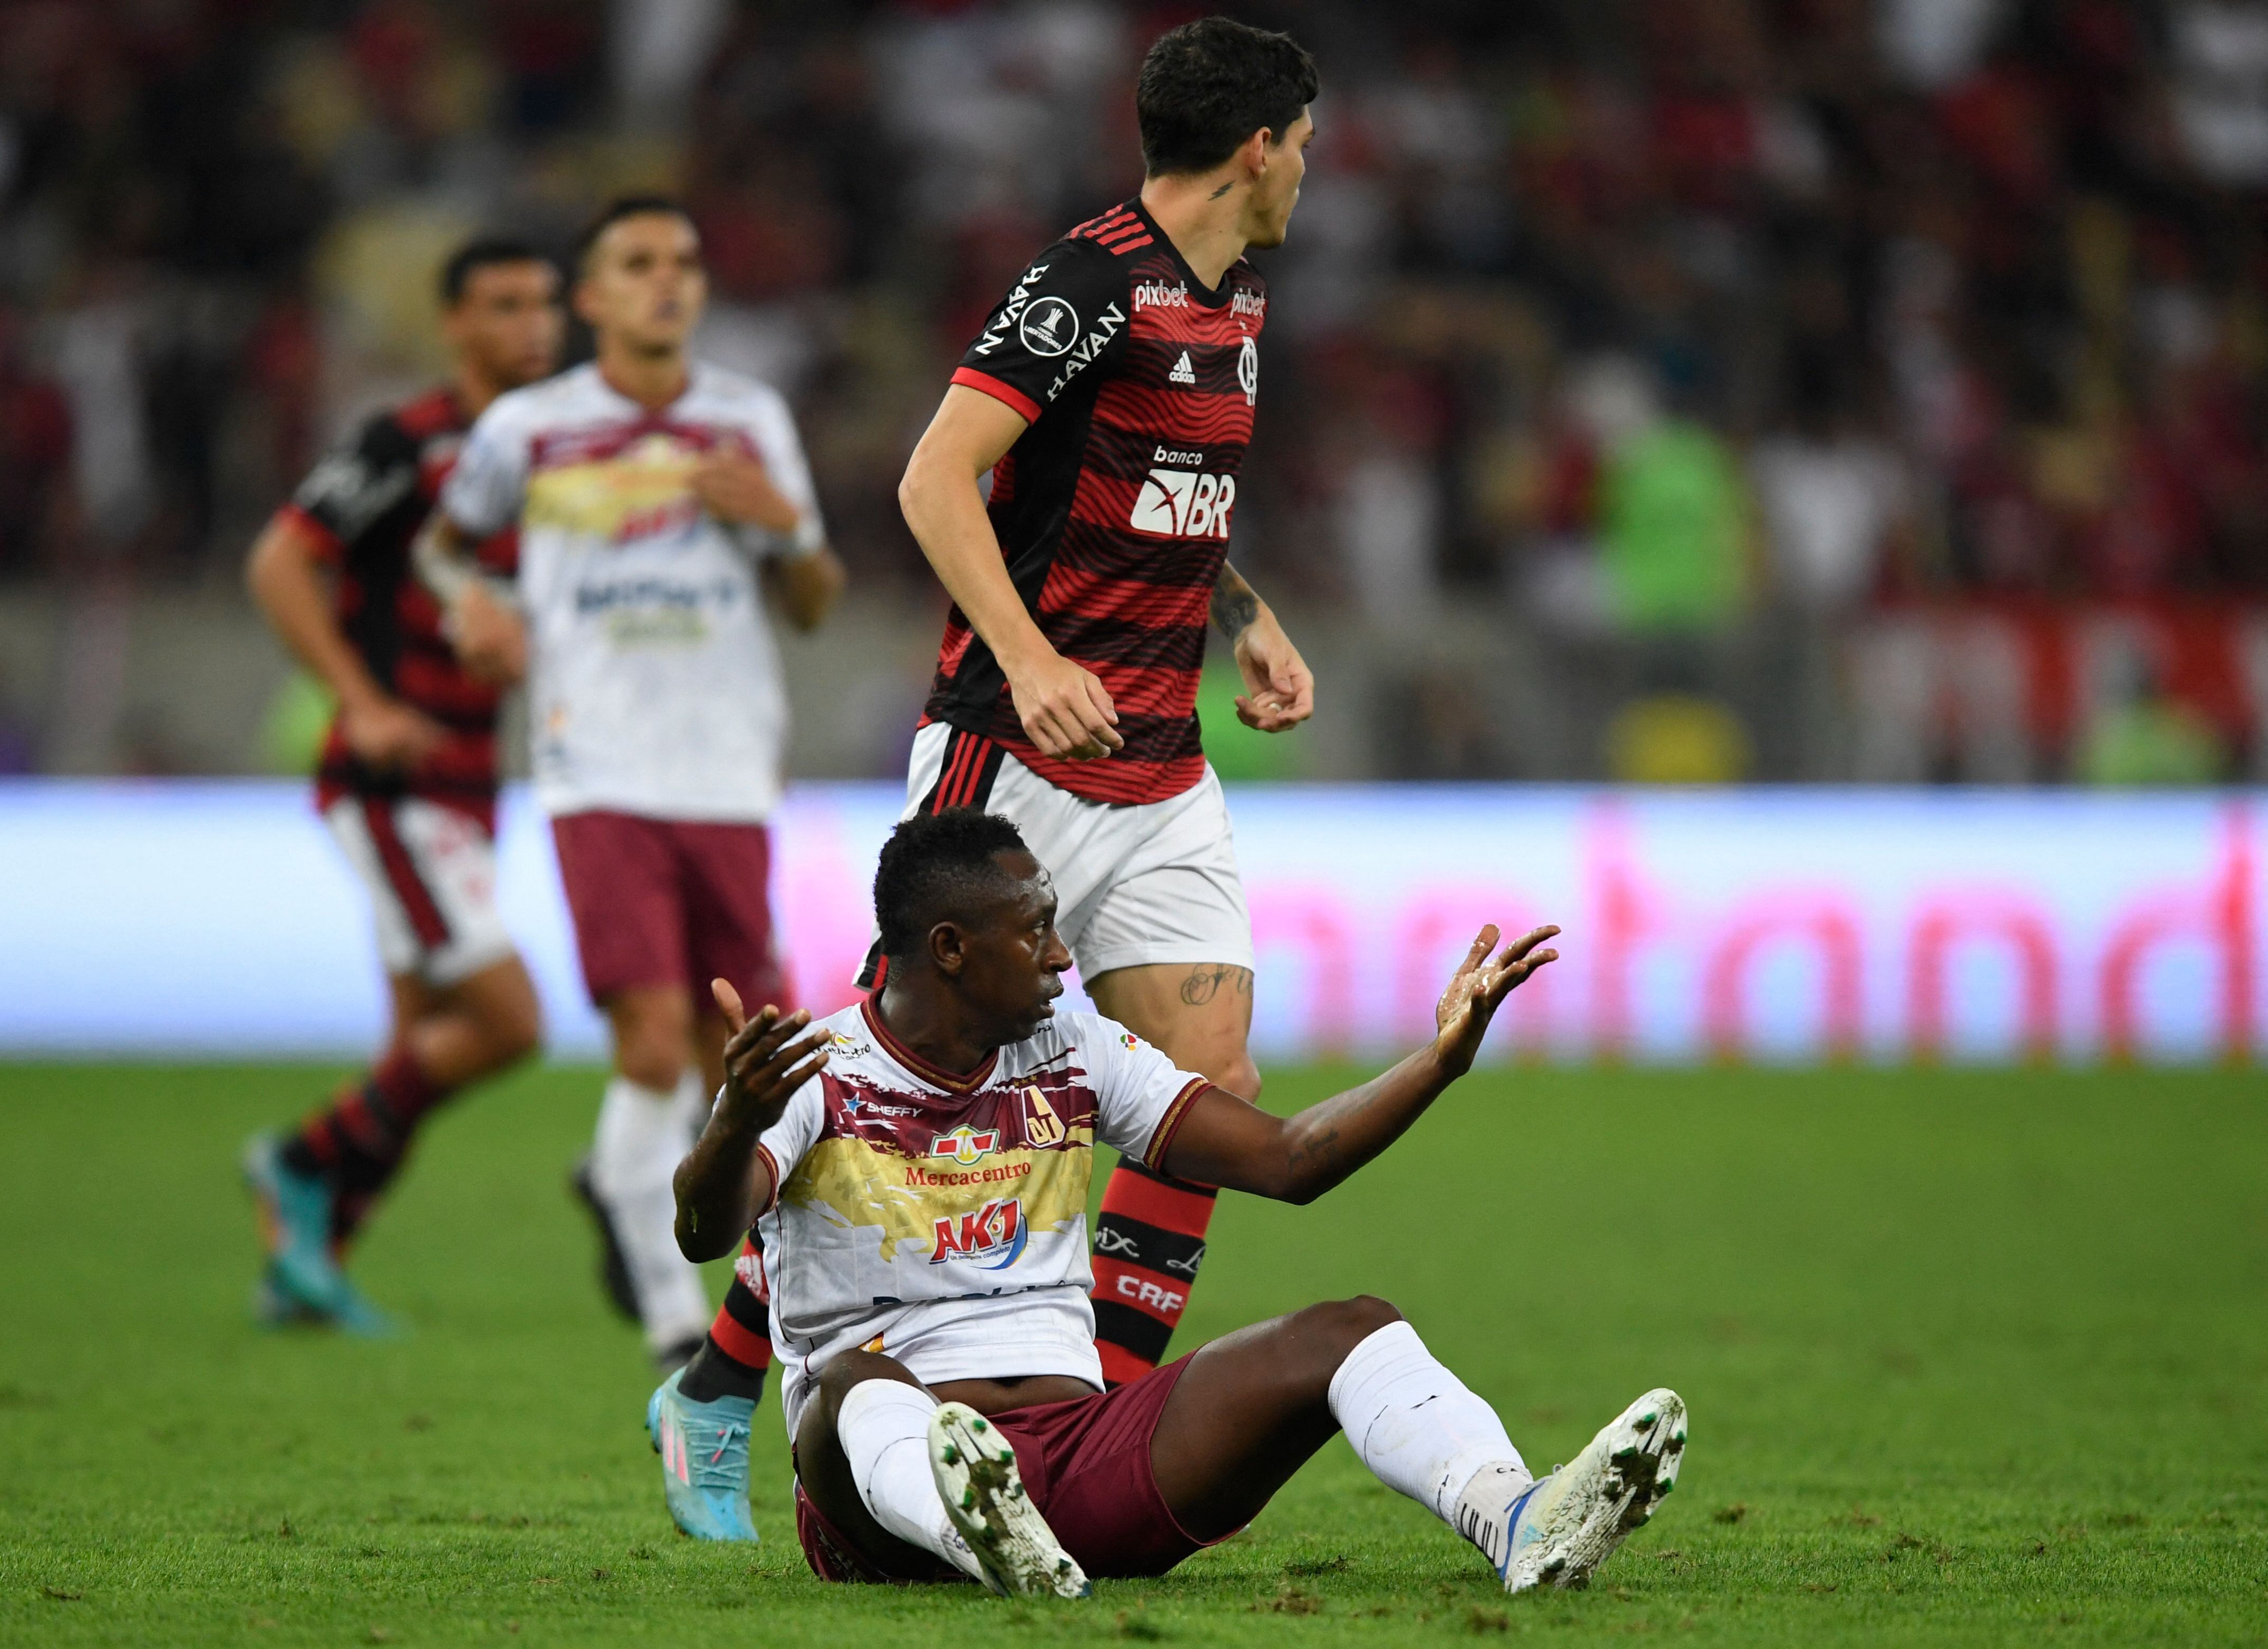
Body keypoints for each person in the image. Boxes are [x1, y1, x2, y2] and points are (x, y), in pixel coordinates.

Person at [649, 11, 1328, 1551]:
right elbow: (931, 476)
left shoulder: (1237, 297)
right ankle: (716, 1381)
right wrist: (1026, 659)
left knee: (1209, 1098)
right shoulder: (1086, 278)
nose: (1310, 171)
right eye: (1304, 144)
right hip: (1013, 752)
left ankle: (1092, 1438)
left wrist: (1247, 611)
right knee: (885, 1106)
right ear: (1259, 147)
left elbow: (1172, 485)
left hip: (1162, 761)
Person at [673, 808, 1687, 1596]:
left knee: (1350, 1330)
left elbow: (1290, 1159)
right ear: (948, 948)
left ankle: (1522, 1521)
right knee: (849, 1386)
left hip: (1074, 1456)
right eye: (1035, 933)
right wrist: (730, 1125)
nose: (1063, 957)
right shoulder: (816, 1071)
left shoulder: (1074, 1051)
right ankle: (973, 1532)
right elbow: (701, 1230)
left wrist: (1437, 1063)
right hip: (871, 1501)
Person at [417, 198, 845, 1447]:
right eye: (638, 266)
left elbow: (814, 598)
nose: (669, 283)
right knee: (654, 1034)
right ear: (590, 299)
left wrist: (780, 525)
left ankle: (627, 1187)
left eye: (685, 263)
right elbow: (448, 548)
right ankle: (672, 1325)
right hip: (594, 766)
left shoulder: (748, 419)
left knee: (739, 1061)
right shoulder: (531, 428)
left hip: (726, 773)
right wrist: (473, 607)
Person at [240, 238, 561, 1334]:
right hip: (394, 779)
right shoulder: (407, 441)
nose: (534, 324)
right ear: (455, 325)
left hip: (473, 782)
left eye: (545, 304)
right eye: (505, 304)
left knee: (419, 1043)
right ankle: (295, 1158)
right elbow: (280, 560)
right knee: (509, 1020)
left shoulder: (549, 460)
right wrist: (360, 701)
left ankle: (305, 1264)